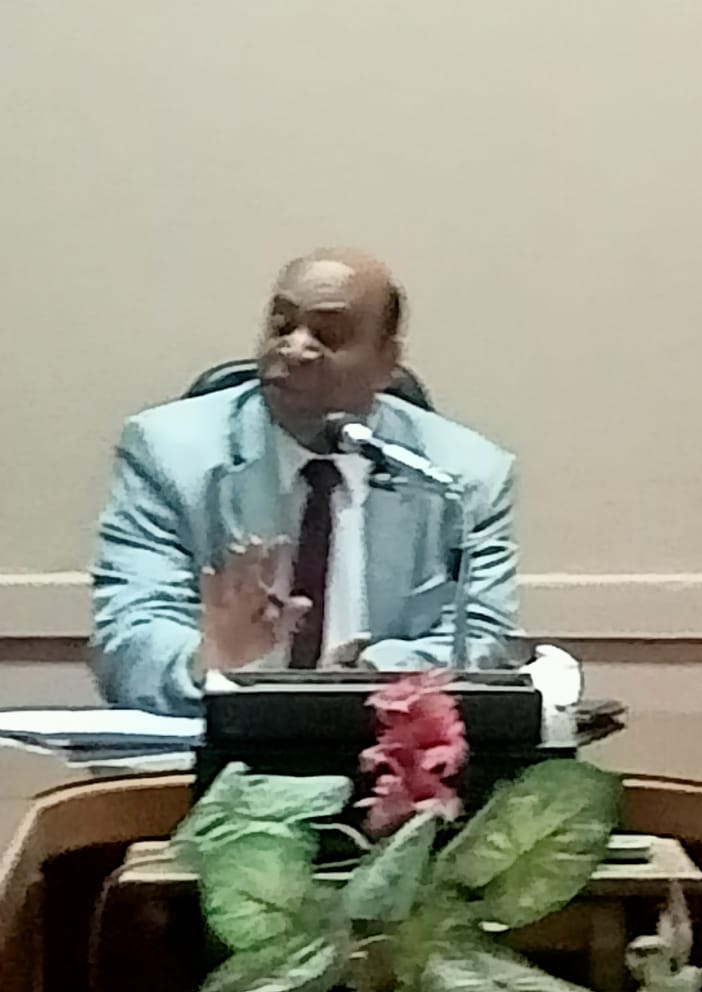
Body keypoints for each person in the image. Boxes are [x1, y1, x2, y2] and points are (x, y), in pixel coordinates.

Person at [91, 248, 519, 716]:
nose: (294, 348)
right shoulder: (167, 453)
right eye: (281, 326)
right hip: (224, 736)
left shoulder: (460, 479)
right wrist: (209, 660)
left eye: (328, 335)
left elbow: (481, 639)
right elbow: (128, 639)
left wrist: (370, 679)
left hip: (382, 739)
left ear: (387, 363)